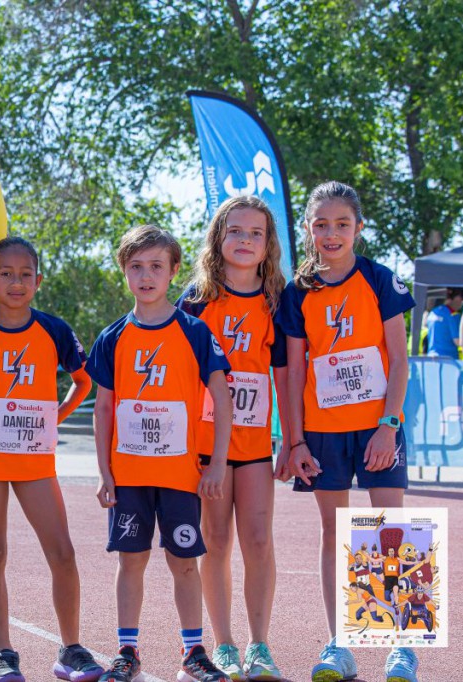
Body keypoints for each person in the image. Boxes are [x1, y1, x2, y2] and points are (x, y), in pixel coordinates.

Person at [279, 181, 419, 682]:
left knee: (390, 532)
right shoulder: (297, 292)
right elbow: (294, 372)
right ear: (309, 229)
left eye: (342, 224)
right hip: (322, 431)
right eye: (321, 224)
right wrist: (294, 439)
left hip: (378, 428)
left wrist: (389, 424)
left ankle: (402, 646)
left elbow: (400, 362)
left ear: (358, 227)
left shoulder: (381, 280)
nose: (331, 233)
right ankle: (342, 641)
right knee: (335, 534)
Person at [0, 237, 100, 682]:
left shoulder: (53, 330)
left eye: (26, 274)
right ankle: (3, 653)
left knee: (62, 552)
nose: (17, 282)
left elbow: (82, 382)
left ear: (39, 280)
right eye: (7, 274)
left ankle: (71, 648)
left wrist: (55, 416)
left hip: (34, 460)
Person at [87, 225, 232, 682]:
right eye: (136, 267)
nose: (146, 276)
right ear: (124, 272)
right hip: (128, 475)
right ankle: (126, 651)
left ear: (173, 271)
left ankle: (193, 653)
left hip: (179, 477)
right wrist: (104, 472)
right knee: (131, 560)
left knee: (184, 562)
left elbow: (222, 399)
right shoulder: (112, 338)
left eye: (156, 266)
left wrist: (219, 463)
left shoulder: (194, 331)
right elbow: (104, 407)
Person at [176, 195, 290, 681]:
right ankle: (223, 645)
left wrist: (292, 438)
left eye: (255, 234)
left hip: (254, 447)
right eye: (236, 231)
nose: (245, 241)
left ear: (268, 246)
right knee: (216, 541)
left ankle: (259, 645)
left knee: (259, 541)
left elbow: (286, 374)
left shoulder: (277, 301)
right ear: (218, 238)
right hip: (204, 448)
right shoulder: (196, 300)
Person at [424, 287, 463, 358]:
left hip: (431, 358)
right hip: (449, 360)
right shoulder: (453, 315)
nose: (461, 304)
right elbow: (458, 341)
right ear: (457, 298)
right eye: (462, 300)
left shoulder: (433, 313)